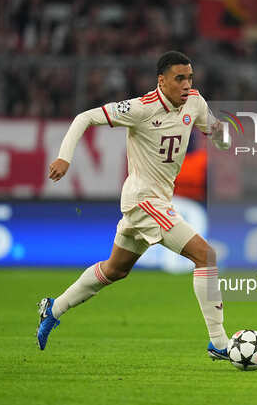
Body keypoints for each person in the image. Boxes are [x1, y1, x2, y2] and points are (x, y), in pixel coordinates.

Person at [36, 51, 232, 361]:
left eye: (190, 78)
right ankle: (220, 343)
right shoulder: (140, 109)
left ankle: (53, 307)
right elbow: (84, 118)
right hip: (144, 200)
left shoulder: (194, 102)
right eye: (179, 79)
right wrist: (64, 157)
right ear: (162, 80)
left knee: (115, 270)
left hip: (154, 200)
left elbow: (217, 134)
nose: (186, 85)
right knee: (205, 255)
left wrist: (223, 137)